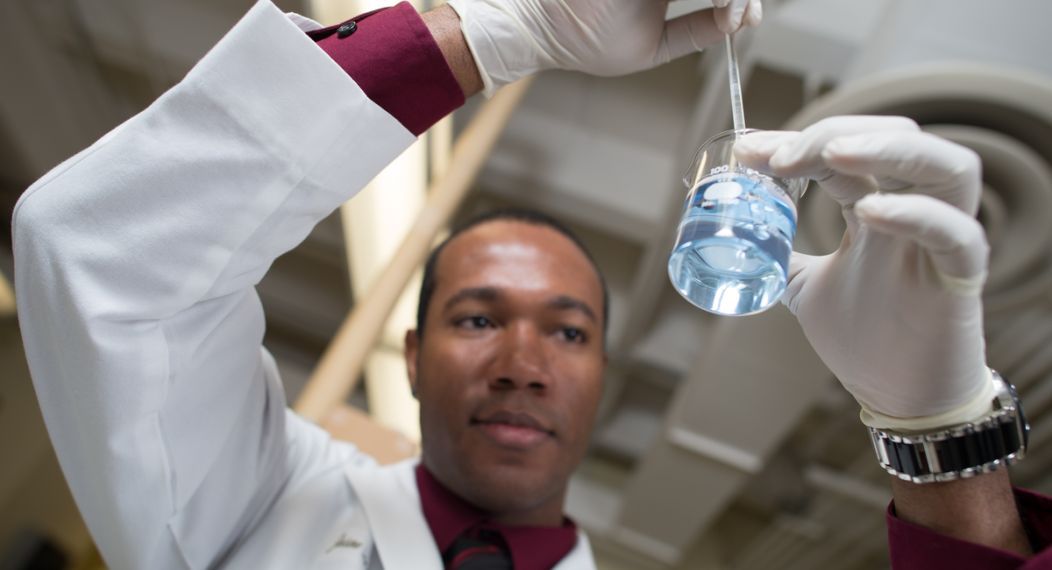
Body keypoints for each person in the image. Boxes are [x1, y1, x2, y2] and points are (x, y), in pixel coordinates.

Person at [10, 0, 1052, 567]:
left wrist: (939, 435)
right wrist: (501, 29)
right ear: (410, 359)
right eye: (474, 318)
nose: (519, 364)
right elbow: (105, 262)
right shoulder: (262, 502)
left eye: (566, 332)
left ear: (603, 372)